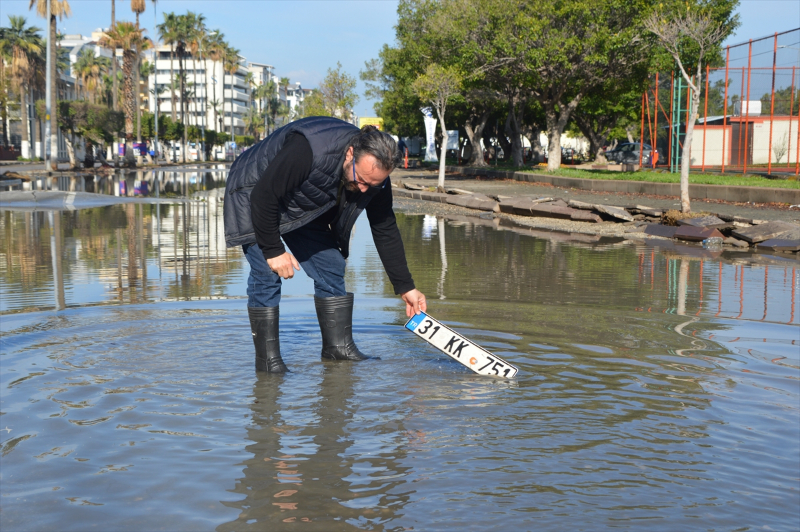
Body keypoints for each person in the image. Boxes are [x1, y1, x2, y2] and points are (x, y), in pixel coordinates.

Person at [224, 116, 427, 373]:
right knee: (266, 273)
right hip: (253, 192)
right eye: (361, 180)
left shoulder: (375, 179)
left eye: (372, 185)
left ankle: (337, 349)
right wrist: (274, 251)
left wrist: (405, 286)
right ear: (351, 153)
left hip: (301, 200)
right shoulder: (307, 149)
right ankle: (267, 364)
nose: (364, 190)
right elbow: (265, 195)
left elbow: (384, 227)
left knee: (330, 264)